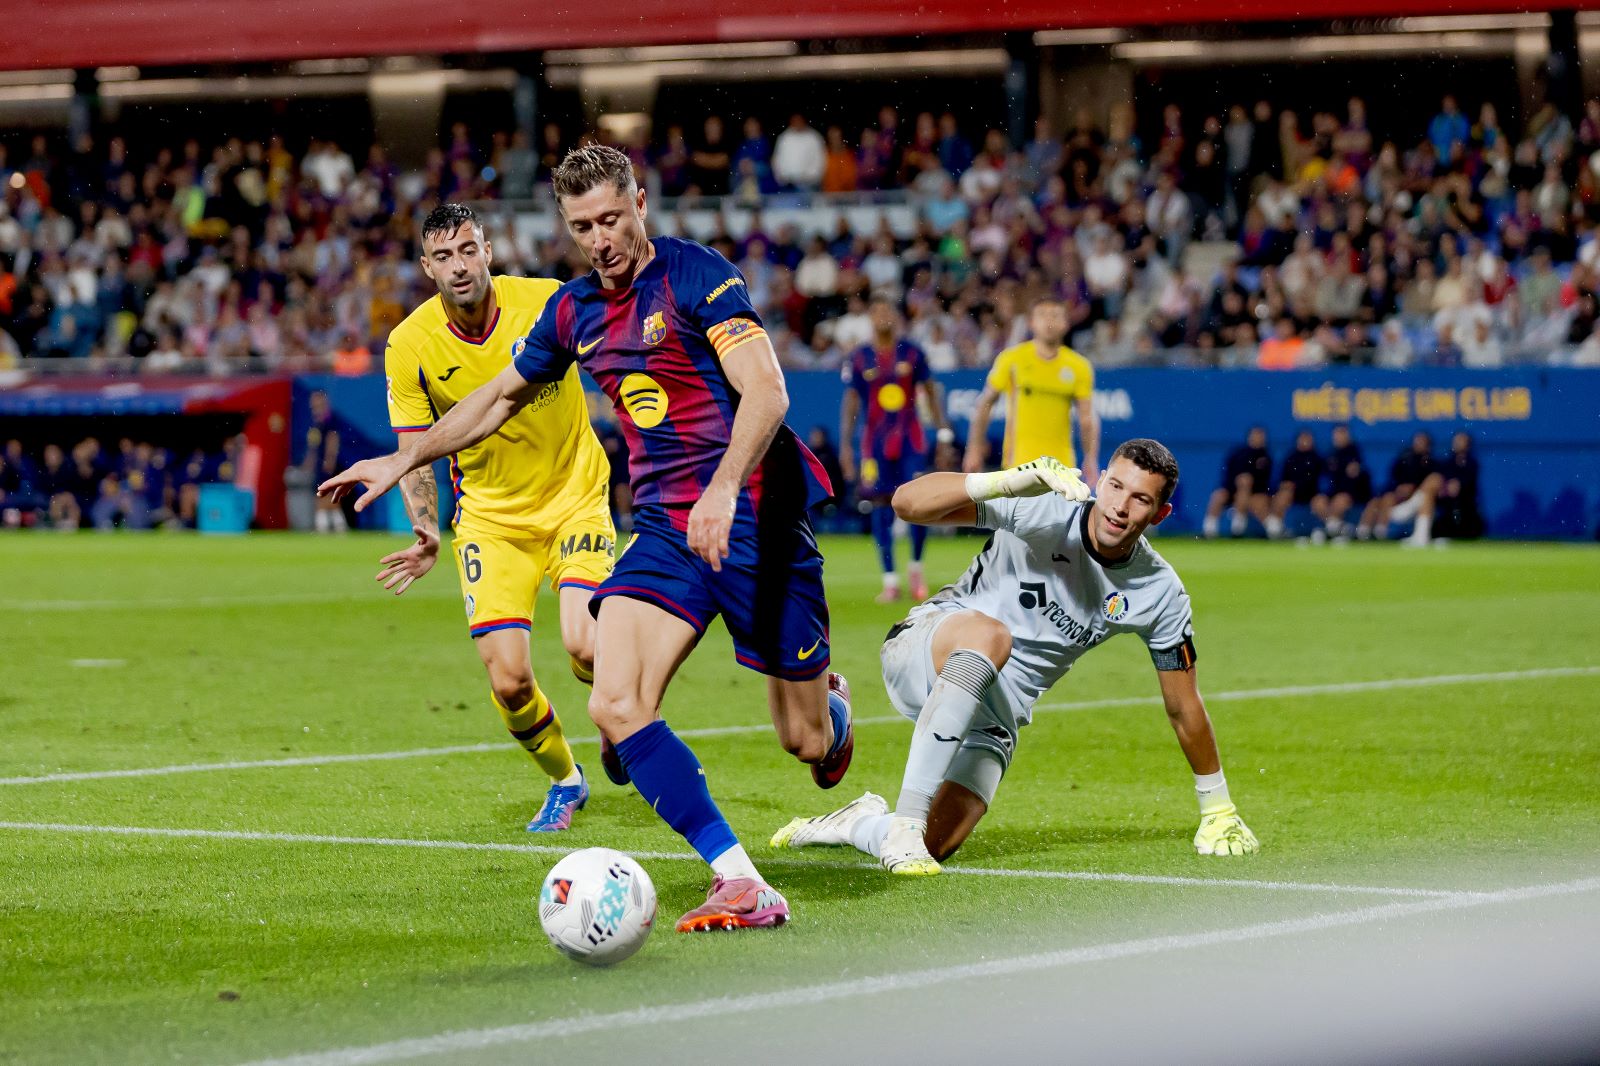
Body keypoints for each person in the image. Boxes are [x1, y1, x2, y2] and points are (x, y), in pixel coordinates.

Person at [319, 146, 854, 933]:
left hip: (755, 518)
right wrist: (404, 456)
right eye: (582, 227)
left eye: (611, 218)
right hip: (669, 528)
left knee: (803, 743)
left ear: (639, 201)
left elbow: (768, 392)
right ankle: (740, 881)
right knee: (611, 700)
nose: (600, 239)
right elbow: (497, 399)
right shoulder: (572, 310)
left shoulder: (696, 274)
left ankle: (830, 712)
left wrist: (724, 486)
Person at [772, 442, 1259, 873]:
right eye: (1115, 486)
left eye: (1140, 499)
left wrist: (1218, 808)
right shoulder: (1045, 507)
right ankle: (906, 820)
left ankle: (860, 823)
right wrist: (1006, 482)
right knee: (991, 637)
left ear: (1160, 514)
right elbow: (906, 503)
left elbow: (1183, 705)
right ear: (1101, 479)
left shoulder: (1159, 592)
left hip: (996, 718)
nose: (1119, 507)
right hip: (928, 648)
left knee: (936, 844)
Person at [355, 203, 615, 833]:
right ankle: (566, 780)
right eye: (443, 257)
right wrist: (424, 528)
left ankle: (617, 714)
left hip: (575, 495)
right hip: (492, 521)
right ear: (426, 267)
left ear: (489, 251)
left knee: (585, 649)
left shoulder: (547, 301)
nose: (459, 266)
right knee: (509, 680)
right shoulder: (410, 344)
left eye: (468, 250)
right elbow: (416, 444)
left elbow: (617, 360)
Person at [840, 293, 951, 604]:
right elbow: (851, 401)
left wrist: (942, 435)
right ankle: (890, 580)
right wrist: (847, 446)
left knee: (918, 503)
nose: (883, 317)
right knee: (879, 504)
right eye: (877, 311)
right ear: (870, 319)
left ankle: (916, 567)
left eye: (888, 311)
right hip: (874, 443)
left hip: (910, 439)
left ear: (897, 317)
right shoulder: (859, 357)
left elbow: (930, 394)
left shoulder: (913, 353)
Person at [964, 299, 1099, 480]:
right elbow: (985, 404)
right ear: (1031, 323)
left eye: (1055, 316)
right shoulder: (1012, 359)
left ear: (1066, 324)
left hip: (1062, 468)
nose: (1049, 321)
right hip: (1017, 466)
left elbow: (1087, 417)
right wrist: (974, 448)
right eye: (1042, 315)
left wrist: (1091, 458)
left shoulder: (1079, 366)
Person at [1202, 426, 1273, 538]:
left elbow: (1264, 482)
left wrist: (1247, 487)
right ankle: (1209, 532)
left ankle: (1238, 530)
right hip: (1231, 490)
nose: (1258, 438)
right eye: (1255, 435)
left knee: (1249, 494)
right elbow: (1228, 476)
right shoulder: (1238, 454)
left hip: (1255, 493)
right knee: (1218, 496)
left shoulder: (1266, 457)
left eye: (1260, 436)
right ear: (1249, 437)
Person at [1377, 431, 1444, 547]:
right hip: (1401, 503)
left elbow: (1439, 487)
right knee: (1387, 497)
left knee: (1431, 488)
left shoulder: (1433, 464)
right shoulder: (1403, 461)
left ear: (1428, 445)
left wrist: (1414, 489)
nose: (1419, 444)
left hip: (1427, 503)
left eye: (1423, 442)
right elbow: (1391, 482)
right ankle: (1379, 534)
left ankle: (1420, 537)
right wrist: (1400, 490)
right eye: (1417, 441)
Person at [1269, 429, 1328, 540]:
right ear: (1297, 441)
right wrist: (1286, 486)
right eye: (1303, 439)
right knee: (1283, 495)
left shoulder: (1318, 458)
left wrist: (1321, 491)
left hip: (1313, 493)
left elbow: (1326, 480)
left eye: (1308, 439)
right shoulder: (1290, 458)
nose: (1305, 442)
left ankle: (1329, 529)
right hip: (1293, 493)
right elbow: (1281, 481)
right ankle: (1276, 529)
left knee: (1320, 501)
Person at [303, 391, 347, 534]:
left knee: (329, 495)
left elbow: (332, 439)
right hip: (319, 463)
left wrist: (330, 460)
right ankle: (327, 526)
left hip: (327, 464)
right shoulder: (316, 422)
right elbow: (314, 446)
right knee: (322, 494)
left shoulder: (330, 420)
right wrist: (309, 463)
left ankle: (335, 526)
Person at [1323, 424, 1374, 540]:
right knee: (1318, 501)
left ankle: (1334, 531)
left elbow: (1358, 477)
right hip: (1335, 492)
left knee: (1340, 499)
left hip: (1355, 494)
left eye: (1341, 434)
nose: (1338, 437)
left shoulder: (1354, 452)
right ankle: (1341, 529)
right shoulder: (1331, 454)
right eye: (1336, 434)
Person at [1435, 431, 1483, 539]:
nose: (1457, 443)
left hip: (1466, 505)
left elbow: (1468, 482)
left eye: (1461, 440)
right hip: (1447, 504)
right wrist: (1446, 486)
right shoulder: (1446, 462)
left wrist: (1459, 484)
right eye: (1456, 440)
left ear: (1468, 444)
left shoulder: (1472, 463)